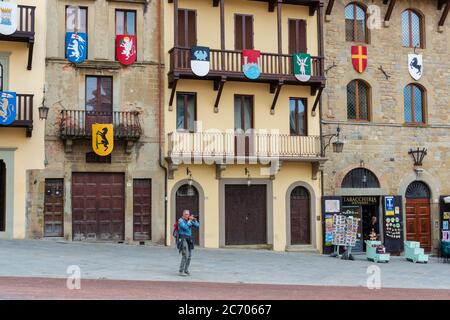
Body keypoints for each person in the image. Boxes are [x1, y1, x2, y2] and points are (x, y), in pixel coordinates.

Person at [177, 209, 200, 276]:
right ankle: (181, 271)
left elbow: (197, 225)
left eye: (188, 214)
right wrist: (190, 220)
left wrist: (194, 220)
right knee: (185, 254)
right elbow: (185, 227)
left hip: (189, 239)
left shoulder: (189, 220)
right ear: (183, 214)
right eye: (186, 214)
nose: (187, 216)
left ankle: (186, 270)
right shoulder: (180, 220)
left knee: (189, 256)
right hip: (183, 238)